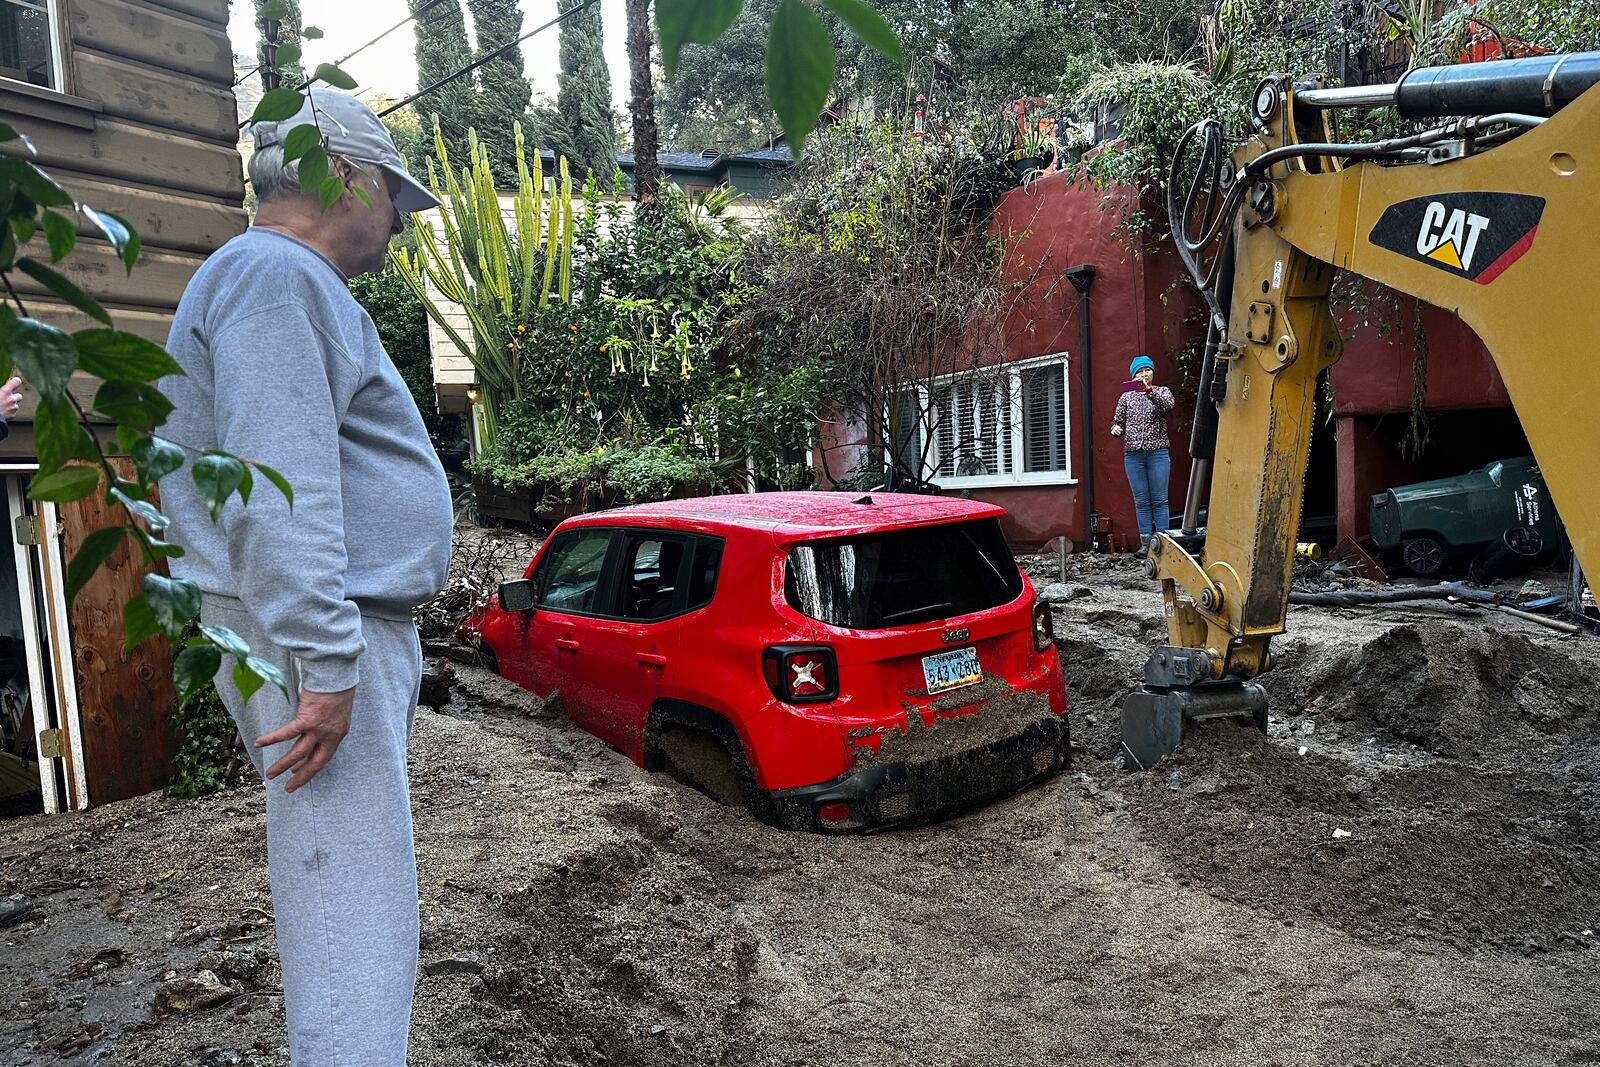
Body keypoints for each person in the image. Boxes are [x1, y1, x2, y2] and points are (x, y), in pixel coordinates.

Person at [161, 89, 453, 1066]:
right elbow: (275, 493)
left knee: (346, 881)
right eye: (396, 202)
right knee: (351, 894)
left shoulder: (263, 278)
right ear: (349, 179)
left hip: (312, 624)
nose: (398, 227)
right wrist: (327, 665)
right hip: (320, 631)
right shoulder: (274, 275)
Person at [1111, 354, 1176, 550]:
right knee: (1142, 501)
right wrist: (1116, 429)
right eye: (1139, 372)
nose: (1143, 374)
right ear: (1133, 375)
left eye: (1147, 370)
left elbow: (1168, 406)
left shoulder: (1162, 392)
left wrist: (1149, 391)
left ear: (1152, 373)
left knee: (1160, 500)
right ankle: (1146, 544)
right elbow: (1117, 420)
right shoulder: (1127, 396)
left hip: (1158, 453)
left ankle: (1163, 544)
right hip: (1133, 455)